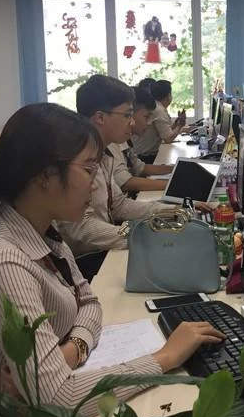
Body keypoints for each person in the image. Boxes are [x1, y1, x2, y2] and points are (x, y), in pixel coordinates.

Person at [0, 103, 224, 417]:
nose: (95, 182)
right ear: (45, 175)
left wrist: (71, 351)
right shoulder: (2, 261)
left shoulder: (41, 230)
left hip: (32, 406)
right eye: (88, 169)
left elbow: (88, 303)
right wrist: (165, 357)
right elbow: (58, 398)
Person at [57, 75, 173, 281]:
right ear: (100, 117)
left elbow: (118, 205)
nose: (132, 122)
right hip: (83, 261)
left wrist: (170, 212)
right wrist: (137, 234)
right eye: (127, 115)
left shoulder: (104, 153)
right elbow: (80, 229)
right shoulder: (76, 159)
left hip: (105, 247)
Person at [112, 87, 175, 195]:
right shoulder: (113, 143)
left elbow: (140, 167)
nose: (149, 122)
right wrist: (174, 185)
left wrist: (173, 169)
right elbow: (126, 182)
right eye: (146, 117)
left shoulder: (124, 141)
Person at [130, 79, 184, 164]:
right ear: (168, 96)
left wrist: (176, 124)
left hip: (141, 155)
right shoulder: (159, 110)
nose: (147, 122)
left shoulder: (156, 107)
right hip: (145, 157)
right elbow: (168, 138)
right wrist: (180, 125)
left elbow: (162, 131)